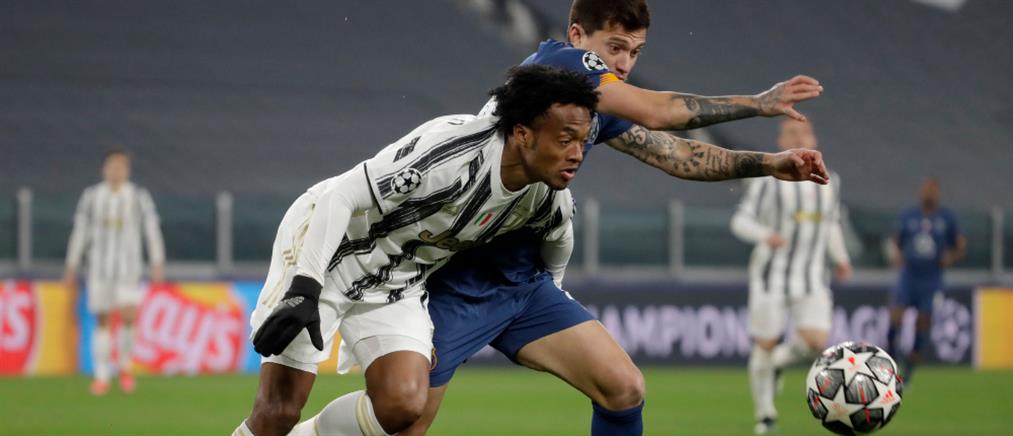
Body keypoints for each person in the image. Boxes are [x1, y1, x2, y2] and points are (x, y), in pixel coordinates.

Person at [404, 1, 830, 434]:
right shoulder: (559, 65)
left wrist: (770, 163)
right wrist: (758, 103)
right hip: (457, 281)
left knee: (623, 388)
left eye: (635, 52)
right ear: (577, 36)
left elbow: (676, 154)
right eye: (615, 48)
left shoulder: (591, 102)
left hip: (522, 284)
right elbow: (658, 112)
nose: (624, 64)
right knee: (405, 420)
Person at [234, 65, 604, 436]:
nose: (577, 154)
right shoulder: (453, 156)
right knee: (279, 412)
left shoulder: (547, 197)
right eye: (565, 140)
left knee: (405, 403)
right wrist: (306, 286)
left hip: (397, 280)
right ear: (523, 133)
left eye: (582, 141)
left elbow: (559, 239)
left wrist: (553, 289)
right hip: (329, 253)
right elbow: (341, 196)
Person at [731, 118, 852, 434]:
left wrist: (841, 258)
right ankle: (765, 415)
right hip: (771, 275)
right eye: (791, 132)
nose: (799, 136)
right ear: (781, 141)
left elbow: (831, 224)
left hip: (812, 276)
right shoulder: (767, 181)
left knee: (816, 342)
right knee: (765, 343)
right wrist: (765, 235)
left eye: (804, 132)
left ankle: (777, 365)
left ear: (814, 138)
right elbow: (740, 221)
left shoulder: (830, 181)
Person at [63, 149, 165, 395]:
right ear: (104, 169)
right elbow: (80, 231)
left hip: (128, 269)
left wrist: (157, 260)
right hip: (99, 269)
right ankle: (101, 375)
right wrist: (72, 263)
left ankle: (125, 367)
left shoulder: (138, 197)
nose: (116, 171)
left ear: (127, 170)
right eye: (112, 166)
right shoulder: (91, 197)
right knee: (103, 319)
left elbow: (151, 228)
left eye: (121, 166)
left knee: (129, 315)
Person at [886, 177, 965, 384]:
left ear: (938, 193)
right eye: (926, 189)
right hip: (909, 275)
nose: (929, 193)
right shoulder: (909, 216)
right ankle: (890, 360)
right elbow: (896, 241)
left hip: (931, 278)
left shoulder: (947, 218)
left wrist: (951, 256)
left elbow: (960, 245)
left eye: (933, 190)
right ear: (921, 192)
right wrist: (896, 255)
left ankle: (909, 370)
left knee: (923, 321)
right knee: (896, 317)